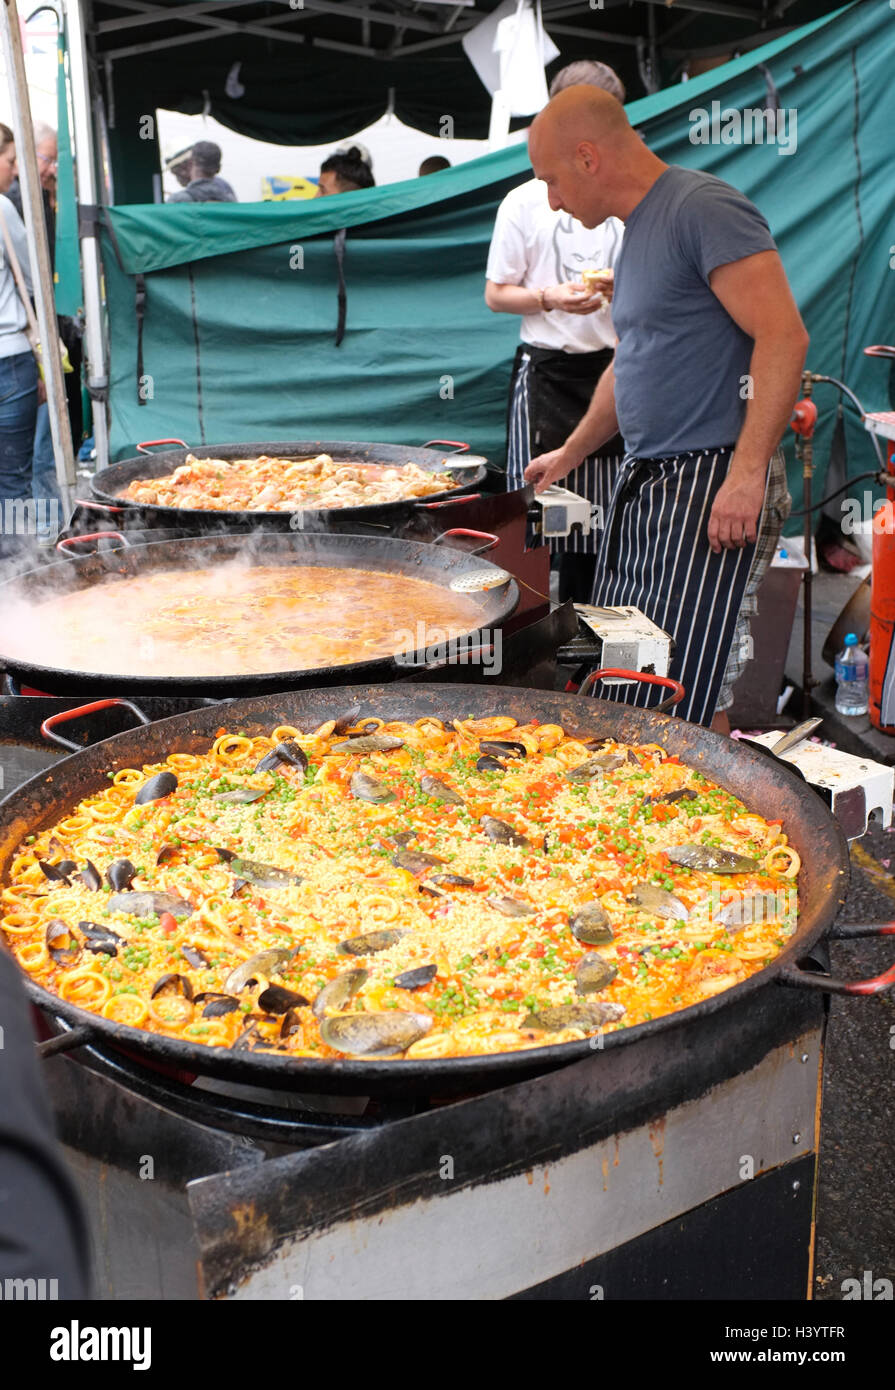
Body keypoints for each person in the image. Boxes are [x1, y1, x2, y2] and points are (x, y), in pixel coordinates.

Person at [525, 87, 806, 730]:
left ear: (588, 157)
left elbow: (783, 335)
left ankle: (705, 815)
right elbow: (632, 362)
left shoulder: (704, 208)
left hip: (711, 480)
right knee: (629, 663)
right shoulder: (635, 233)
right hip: (651, 481)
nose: (554, 200)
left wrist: (746, 473)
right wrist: (573, 452)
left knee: (683, 682)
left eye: (553, 181)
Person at [485, 60, 626, 603]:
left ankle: (588, 635)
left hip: (613, 372)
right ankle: (532, 634)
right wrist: (549, 296)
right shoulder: (524, 200)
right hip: (547, 371)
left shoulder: (626, 199)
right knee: (542, 522)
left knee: (601, 527)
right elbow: (497, 293)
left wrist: (625, 286)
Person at [7, 121, 73, 541]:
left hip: (18, 354)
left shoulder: (33, 200)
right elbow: (31, 284)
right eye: (43, 158)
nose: (49, 169)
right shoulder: (10, 204)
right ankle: (42, 536)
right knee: (25, 465)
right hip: (15, 355)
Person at [0, 123, 40, 562]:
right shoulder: (1, 209)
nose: (13, 172)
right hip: (9, 361)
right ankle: (14, 591)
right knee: (13, 484)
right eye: (11, 162)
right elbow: (34, 282)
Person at [167, 141, 237, 202]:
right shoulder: (229, 199)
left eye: (176, 171)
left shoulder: (178, 200)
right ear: (218, 168)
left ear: (190, 164)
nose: (177, 178)